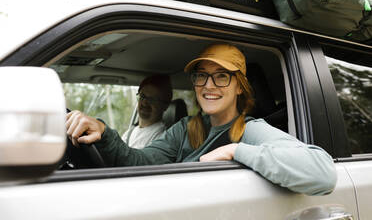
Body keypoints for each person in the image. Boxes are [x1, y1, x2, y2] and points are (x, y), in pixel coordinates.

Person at [66, 43, 337, 196]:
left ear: (239, 86)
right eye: (201, 76)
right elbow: (139, 162)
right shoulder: (184, 129)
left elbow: (323, 173)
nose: (209, 85)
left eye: (222, 76)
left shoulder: (251, 131)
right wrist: (103, 131)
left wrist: (236, 150)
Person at [121, 74, 172, 149]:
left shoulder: (162, 137)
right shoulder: (130, 132)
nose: (145, 102)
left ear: (165, 106)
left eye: (153, 99)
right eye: (143, 96)